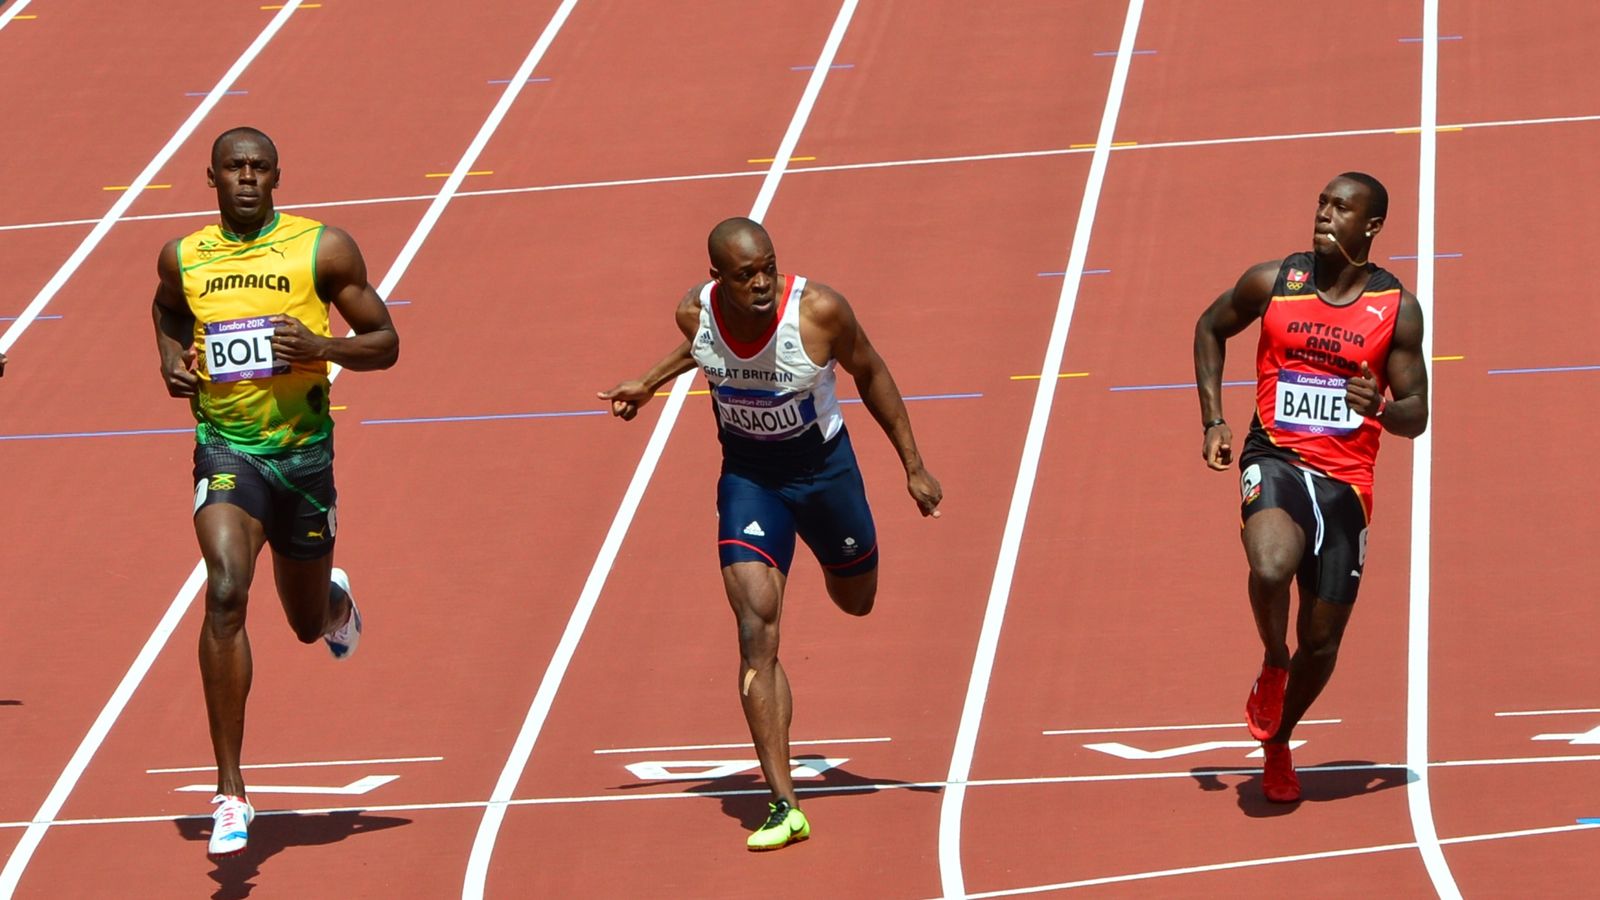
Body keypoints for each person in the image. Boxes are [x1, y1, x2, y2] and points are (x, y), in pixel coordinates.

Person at [599, 217, 941, 849]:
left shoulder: (818, 311)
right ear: (716, 279)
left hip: (825, 475)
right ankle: (784, 802)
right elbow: (703, 345)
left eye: (768, 268)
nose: (761, 283)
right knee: (756, 629)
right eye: (745, 275)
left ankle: (827, 558)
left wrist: (913, 467)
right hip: (751, 480)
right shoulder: (693, 312)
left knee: (856, 601)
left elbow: (872, 373)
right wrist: (647, 384)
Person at [150, 126, 399, 857]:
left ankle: (335, 602)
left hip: (305, 457)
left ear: (278, 176)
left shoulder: (323, 249)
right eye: (235, 168)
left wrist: (320, 347)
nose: (248, 179)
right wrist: (171, 358)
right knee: (225, 589)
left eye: (260, 168)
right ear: (212, 178)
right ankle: (231, 791)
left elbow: (385, 341)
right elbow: (166, 309)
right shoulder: (184, 256)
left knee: (301, 620)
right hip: (228, 452)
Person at [1193, 172, 1428, 803]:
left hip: (1346, 484)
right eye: (1321, 202)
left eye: (1341, 207)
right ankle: (1273, 659)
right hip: (1274, 454)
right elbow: (1210, 328)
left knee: (1321, 643)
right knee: (1270, 565)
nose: (1324, 214)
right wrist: (1214, 418)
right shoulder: (1274, 282)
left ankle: (1279, 740)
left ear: (1371, 226)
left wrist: (1378, 408)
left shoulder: (1396, 309)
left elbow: (1418, 413)